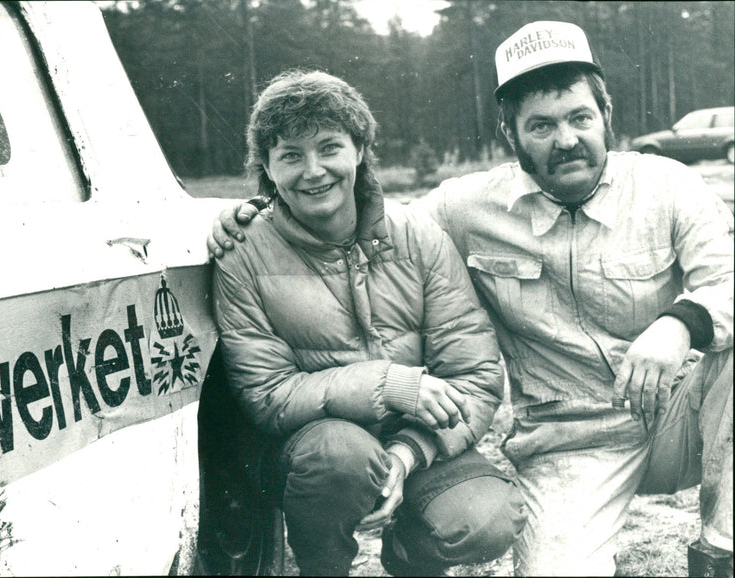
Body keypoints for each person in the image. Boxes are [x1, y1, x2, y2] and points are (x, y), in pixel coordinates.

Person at [208, 22, 734, 578]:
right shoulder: (463, 209)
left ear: (607, 113)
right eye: (541, 125)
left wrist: (680, 325)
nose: (566, 139)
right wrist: (250, 214)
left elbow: (729, 281)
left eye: (581, 117)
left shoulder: (670, 185)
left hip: (678, 419)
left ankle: (720, 553)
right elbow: (359, 216)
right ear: (511, 135)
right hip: (566, 445)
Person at [210, 69, 526, 576]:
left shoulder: (419, 237)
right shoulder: (242, 252)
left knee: (486, 518)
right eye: (290, 155)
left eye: (329, 147)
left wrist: (405, 455)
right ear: (266, 167)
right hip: (310, 452)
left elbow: (476, 378)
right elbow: (267, 395)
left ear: (360, 148)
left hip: (415, 440)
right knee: (341, 456)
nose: (313, 171)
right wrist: (387, 383)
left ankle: (409, 559)